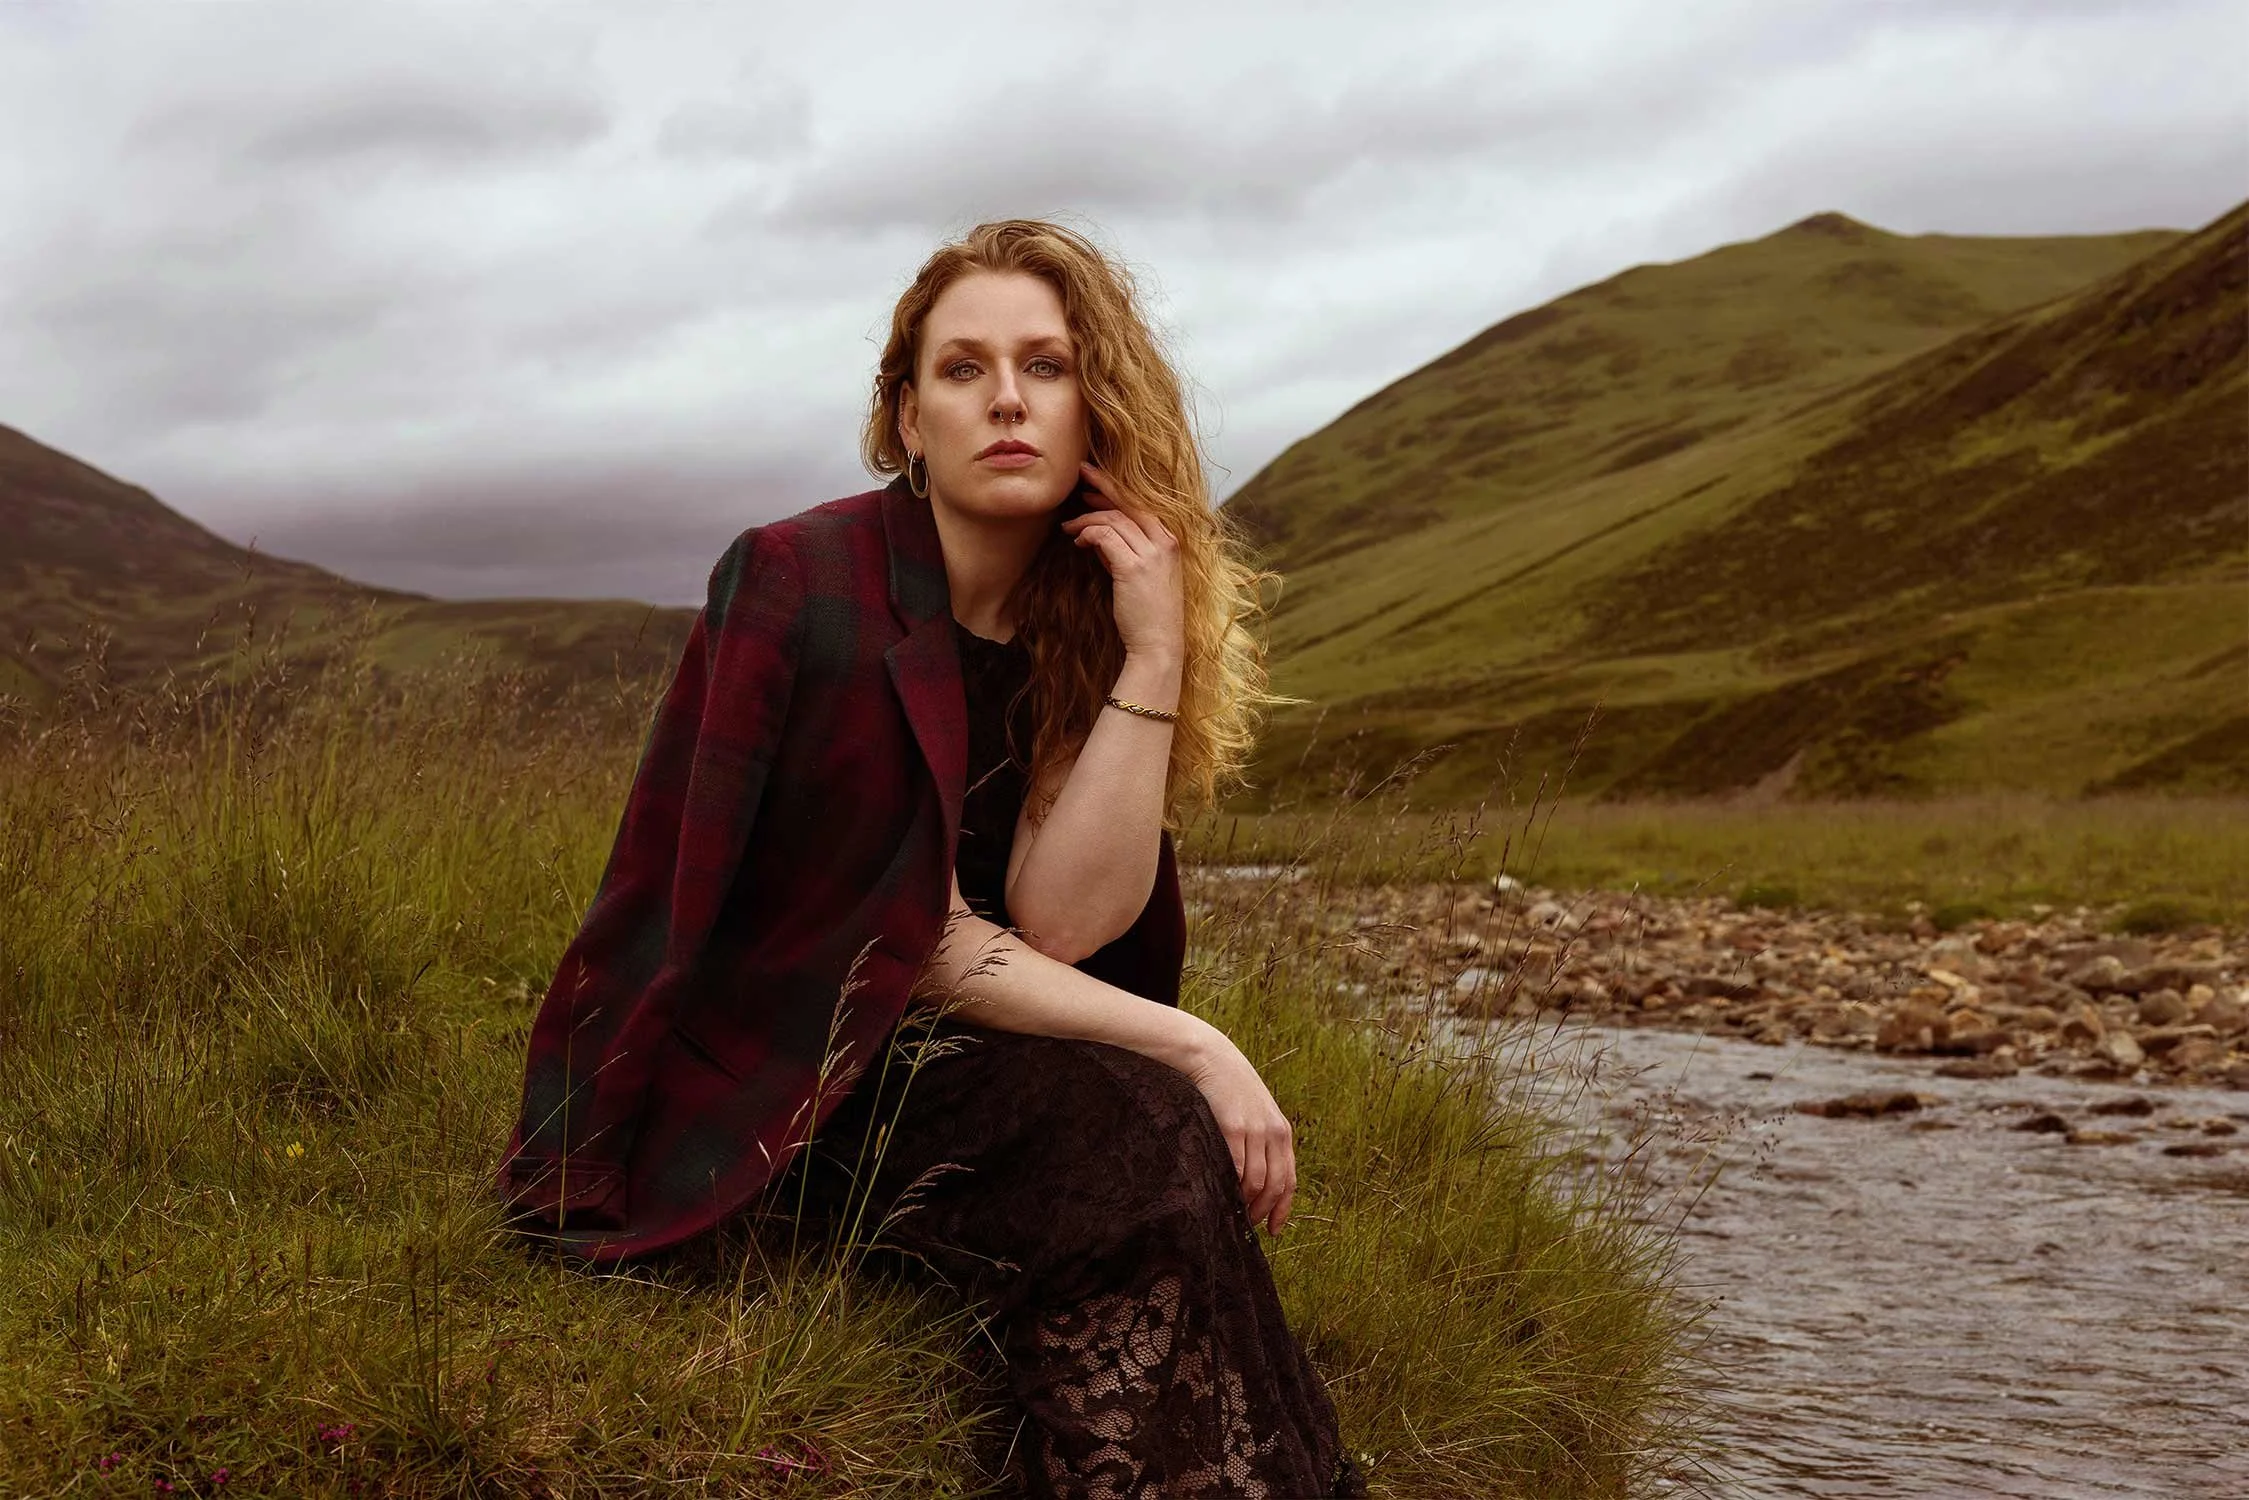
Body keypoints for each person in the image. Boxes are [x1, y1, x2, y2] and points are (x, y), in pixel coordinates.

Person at [497, 217, 1366, 1497]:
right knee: (1147, 1113)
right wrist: (1196, 1040)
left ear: (1095, 408)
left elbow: (1063, 920)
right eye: (962, 370)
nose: (1006, 399)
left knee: (1145, 1136)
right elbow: (911, 940)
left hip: (944, 1060)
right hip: (788, 1078)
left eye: (1046, 367)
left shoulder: (1077, 621)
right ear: (906, 418)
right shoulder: (803, 580)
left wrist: (1154, 658)